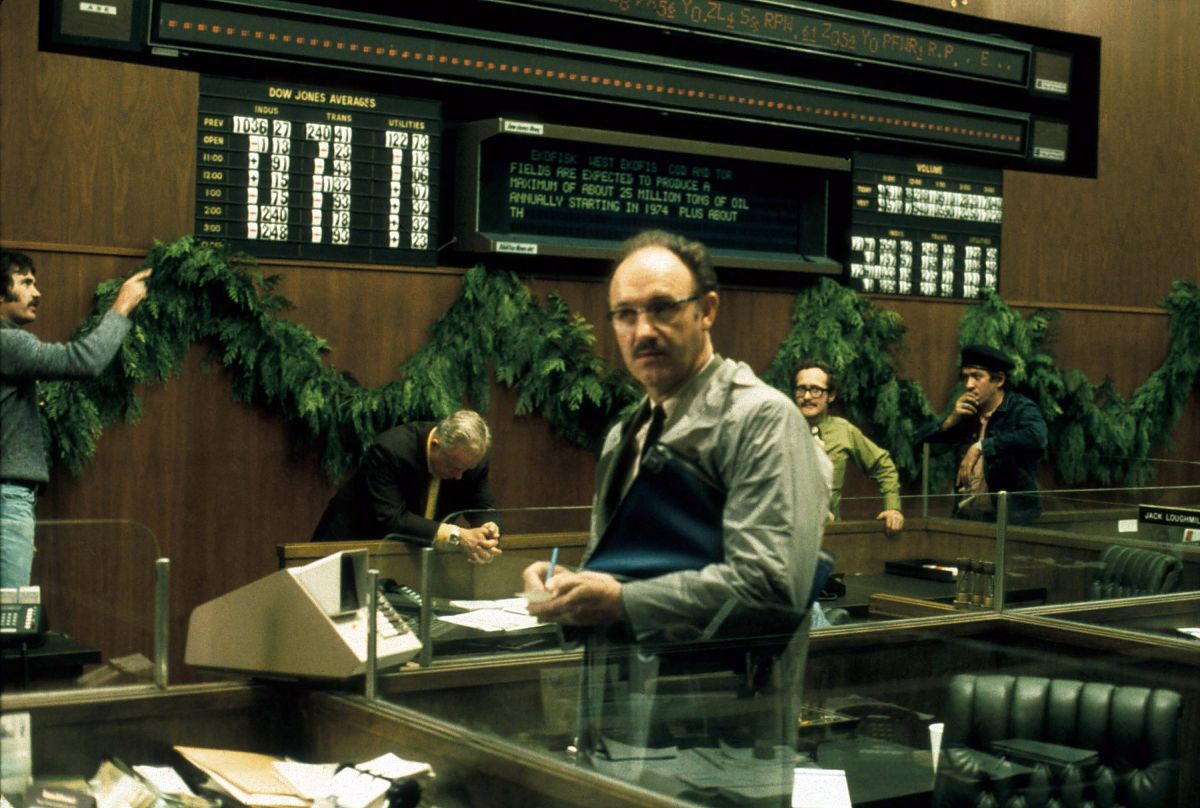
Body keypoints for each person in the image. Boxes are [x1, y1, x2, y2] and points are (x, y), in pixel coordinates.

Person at [521, 231, 829, 802]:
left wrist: (621, 602)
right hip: (621, 737)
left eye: (662, 308)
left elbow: (770, 585)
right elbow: (620, 570)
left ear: (706, 310)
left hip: (723, 746)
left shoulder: (761, 419)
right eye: (625, 314)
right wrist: (565, 590)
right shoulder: (625, 433)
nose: (643, 331)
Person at [1, 250, 152, 588]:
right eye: (25, 282)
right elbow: (84, 361)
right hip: (6, 500)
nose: (37, 293)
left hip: (8, 499)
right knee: (6, 621)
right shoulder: (8, 344)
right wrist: (122, 307)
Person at [311, 409, 502, 563]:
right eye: (453, 466)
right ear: (436, 445)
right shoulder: (390, 450)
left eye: (466, 469)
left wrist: (489, 530)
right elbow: (392, 519)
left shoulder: (470, 461)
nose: (459, 476)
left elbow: (483, 508)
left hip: (413, 558)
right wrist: (458, 535)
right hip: (351, 547)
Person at [916, 344, 1047, 524]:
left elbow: (1036, 437)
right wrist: (949, 421)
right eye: (965, 377)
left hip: (1011, 523)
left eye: (977, 377)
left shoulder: (1020, 408)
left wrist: (981, 447)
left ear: (999, 380)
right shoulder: (967, 414)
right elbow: (920, 443)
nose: (969, 385)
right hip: (968, 518)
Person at [794, 360, 904, 536]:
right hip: (787, 538)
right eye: (801, 389)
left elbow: (882, 464)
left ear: (830, 395)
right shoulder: (779, 431)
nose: (807, 397)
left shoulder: (843, 430)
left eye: (815, 390)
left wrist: (893, 508)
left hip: (830, 536)